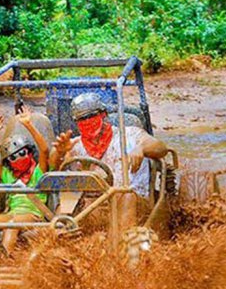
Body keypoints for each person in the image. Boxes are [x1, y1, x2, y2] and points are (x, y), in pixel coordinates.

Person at [50, 92, 167, 230]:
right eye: (82, 119)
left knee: (125, 195)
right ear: (76, 122)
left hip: (133, 202)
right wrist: (59, 152)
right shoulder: (74, 145)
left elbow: (161, 147)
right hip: (93, 205)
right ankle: (59, 239)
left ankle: (122, 244)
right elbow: (52, 165)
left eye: (91, 116)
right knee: (67, 200)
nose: (87, 122)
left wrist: (141, 148)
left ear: (103, 114)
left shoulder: (129, 134)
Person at [0, 105, 49, 256]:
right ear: (8, 162)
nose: (19, 159)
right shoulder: (7, 175)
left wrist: (29, 125)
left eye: (22, 153)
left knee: (12, 225)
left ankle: (4, 261)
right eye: (13, 157)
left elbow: (44, 150)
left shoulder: (39, 172)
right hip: (12, 214)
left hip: (33, 216)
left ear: (30, 153)